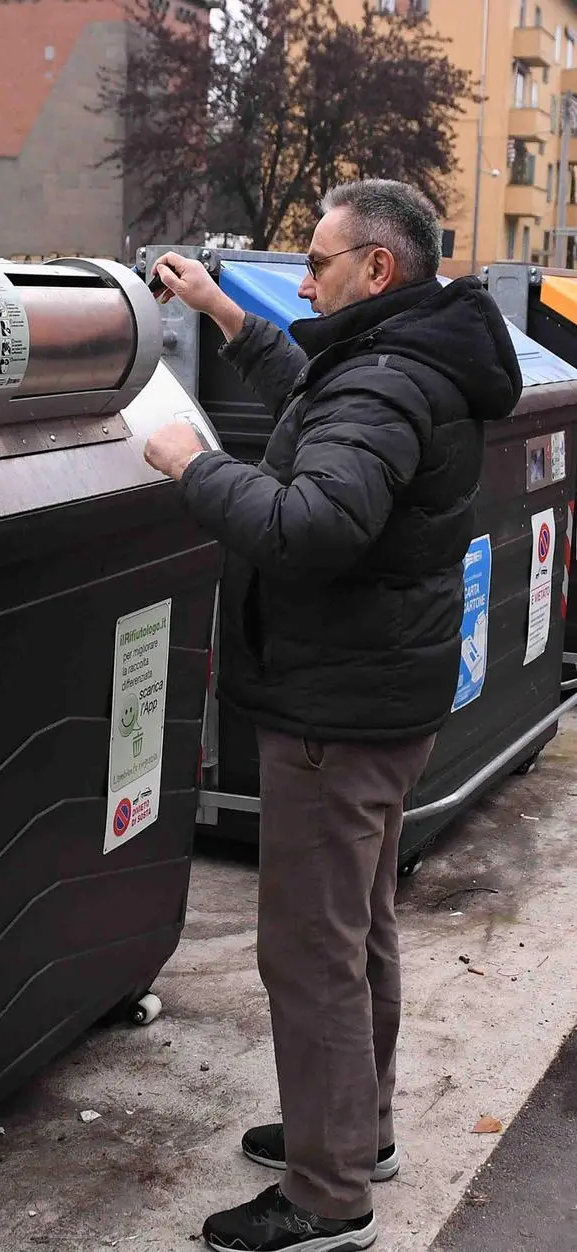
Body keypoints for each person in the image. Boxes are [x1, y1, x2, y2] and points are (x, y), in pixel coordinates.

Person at [144, 180, 522, 1252]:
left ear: (377, 269)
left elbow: (311, 524)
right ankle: (359, 1133)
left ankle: (324, 1195)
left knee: (309, 949)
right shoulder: (415, 352)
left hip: (332, 709)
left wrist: (192, 465)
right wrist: (221, 310)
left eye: (316, 261)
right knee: (356, 928)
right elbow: (317, 384)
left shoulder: (387, 379)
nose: (302, 279)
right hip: (381, 694)